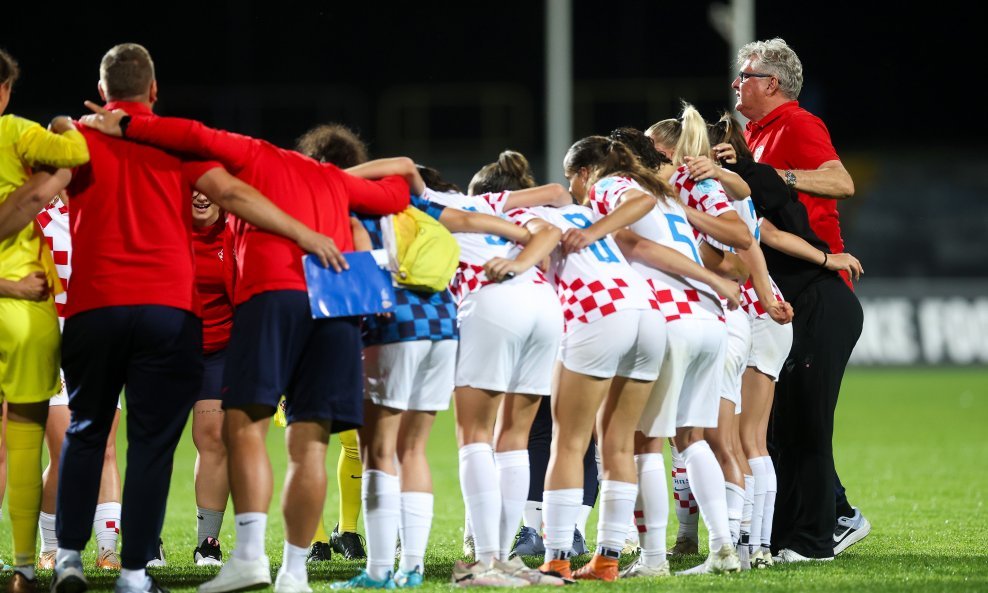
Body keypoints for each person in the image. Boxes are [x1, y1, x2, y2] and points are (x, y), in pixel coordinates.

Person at [81, 62, 413, 593]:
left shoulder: (258, 156)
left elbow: (189, 135)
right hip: (335, 304)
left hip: (276, 292)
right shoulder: (333, 181)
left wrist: (123, 123)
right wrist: (398, 174)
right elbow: (396, 194)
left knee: (245, 427)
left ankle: (251, 557)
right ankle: (295, 575)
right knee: (311, 444)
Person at [733, 37, 867, 561]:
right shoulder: (756, 134)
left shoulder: (797, 123)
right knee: (781, 423)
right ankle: (806, 525)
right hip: (791, 292)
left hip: (820, 292)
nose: (736, 84)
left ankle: (817, 538)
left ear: (771, 83)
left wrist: (774, 176)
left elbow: (841, 181)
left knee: (806, 421)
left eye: (744, 76)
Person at [0, 47, 90, 593]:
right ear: (6, 89)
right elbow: (75, 151)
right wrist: (59, 124)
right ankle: (24, 567)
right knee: (27, 437)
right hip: (27, 309)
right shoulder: (16, 132)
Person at [34, 194, 124, 572]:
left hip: (101, 346)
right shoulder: (37, 218)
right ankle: (50, 544)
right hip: (49, 348)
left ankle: (107, 550)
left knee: (105, 447)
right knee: (65, 453)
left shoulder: (115, 216)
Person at [294, 123, 368, 563]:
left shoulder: (355, 216)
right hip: (305, 334)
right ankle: (315, 538)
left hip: (340, 334)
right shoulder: (293, 213)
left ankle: (347, 530)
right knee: (312, 439)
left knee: (348, 440)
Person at [189, 190, 235, 567]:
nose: (200, 195)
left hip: (218, 350)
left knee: (214, 439)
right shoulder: (164, 229)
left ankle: (208, 542)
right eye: (193, 187)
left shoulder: (235, 232)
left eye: (209, 188)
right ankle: (146, 538)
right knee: (156, 442)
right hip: (166, 350)